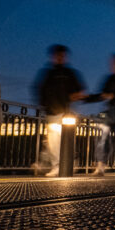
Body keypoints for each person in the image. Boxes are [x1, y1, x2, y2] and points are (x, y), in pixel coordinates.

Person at [32, 44, 86, 177]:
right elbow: (40, 90)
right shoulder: (49, 73)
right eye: (58, 55)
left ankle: (62, 164)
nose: (60, 58)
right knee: (54, 141)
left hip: (64, 112)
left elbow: (80, 91)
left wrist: (73, 96)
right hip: (52, 111)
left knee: (59, 140)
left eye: (62, 55)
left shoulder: (69, 73)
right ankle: (62, 164)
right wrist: (44, 104)